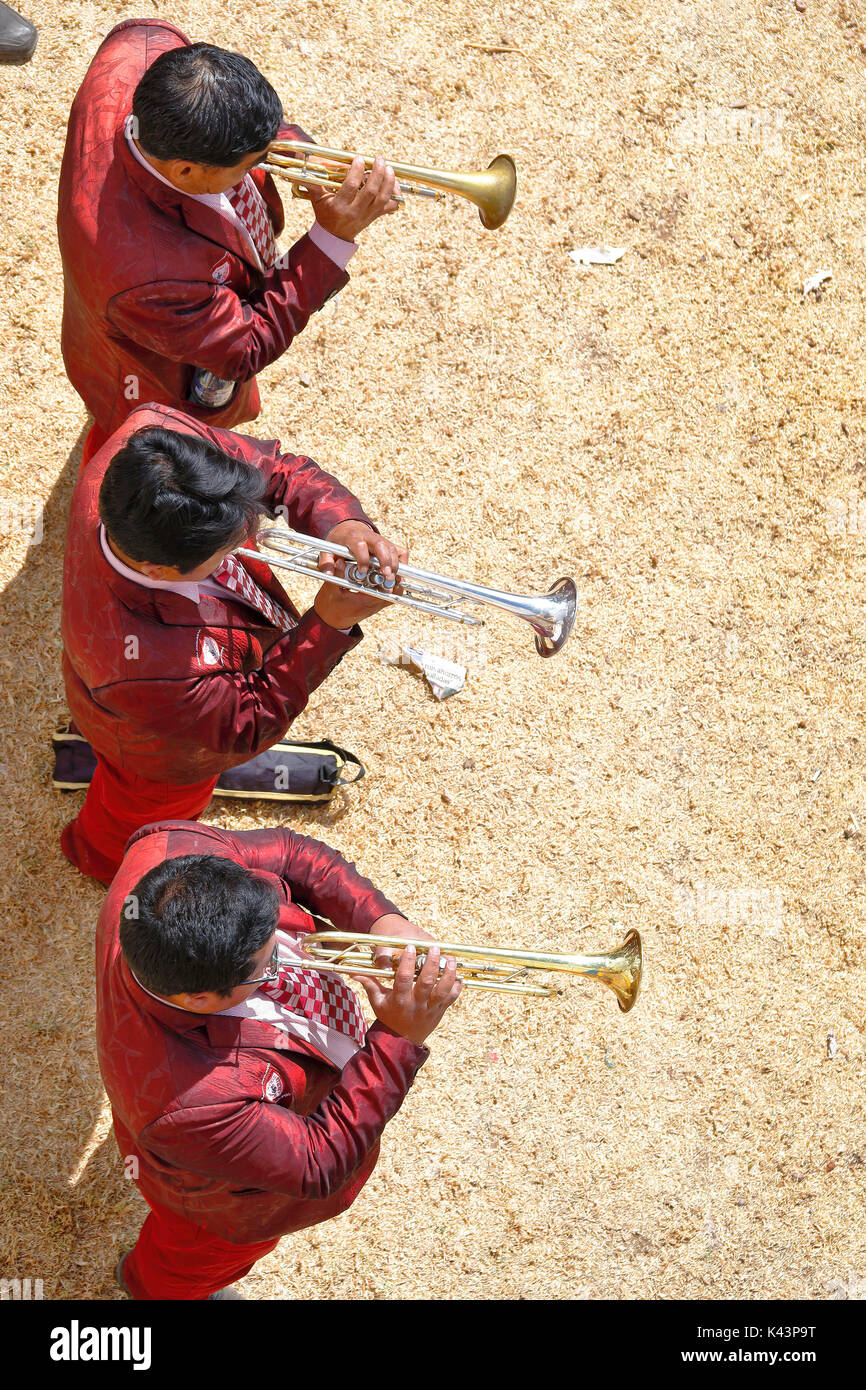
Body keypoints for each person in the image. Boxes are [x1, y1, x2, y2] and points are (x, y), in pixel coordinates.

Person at [100, 819, 459, 1300]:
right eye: (267, 964)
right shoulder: (189, 1104)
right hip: (218, 1203)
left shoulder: (170, 855)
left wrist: (379, 920)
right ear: (202, 998)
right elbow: (319, 1161)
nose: (287, 958)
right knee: (195, 1261)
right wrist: (398, 1037)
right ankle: (151, 1288)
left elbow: (290, 852)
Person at [61, 401, 407, 886]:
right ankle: (104, 862)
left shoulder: (155, 437)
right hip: (156, 751)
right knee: (140, 810)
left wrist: (341, 523)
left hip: (133, 698)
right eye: (227, 548)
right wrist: (327, 624)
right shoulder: (149, 671)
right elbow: (245, 725)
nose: (248, 539)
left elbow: (274, 473)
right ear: (159, 570)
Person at [57, 18, 398, 464]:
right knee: (152, 448)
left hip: (162, 310)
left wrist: (294, 147)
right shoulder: (148, 275)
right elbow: (244, 348)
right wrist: (331, 238)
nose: (265, 163)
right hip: (149, 370)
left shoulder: (144, 46)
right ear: (185, 171)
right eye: (252, 162)